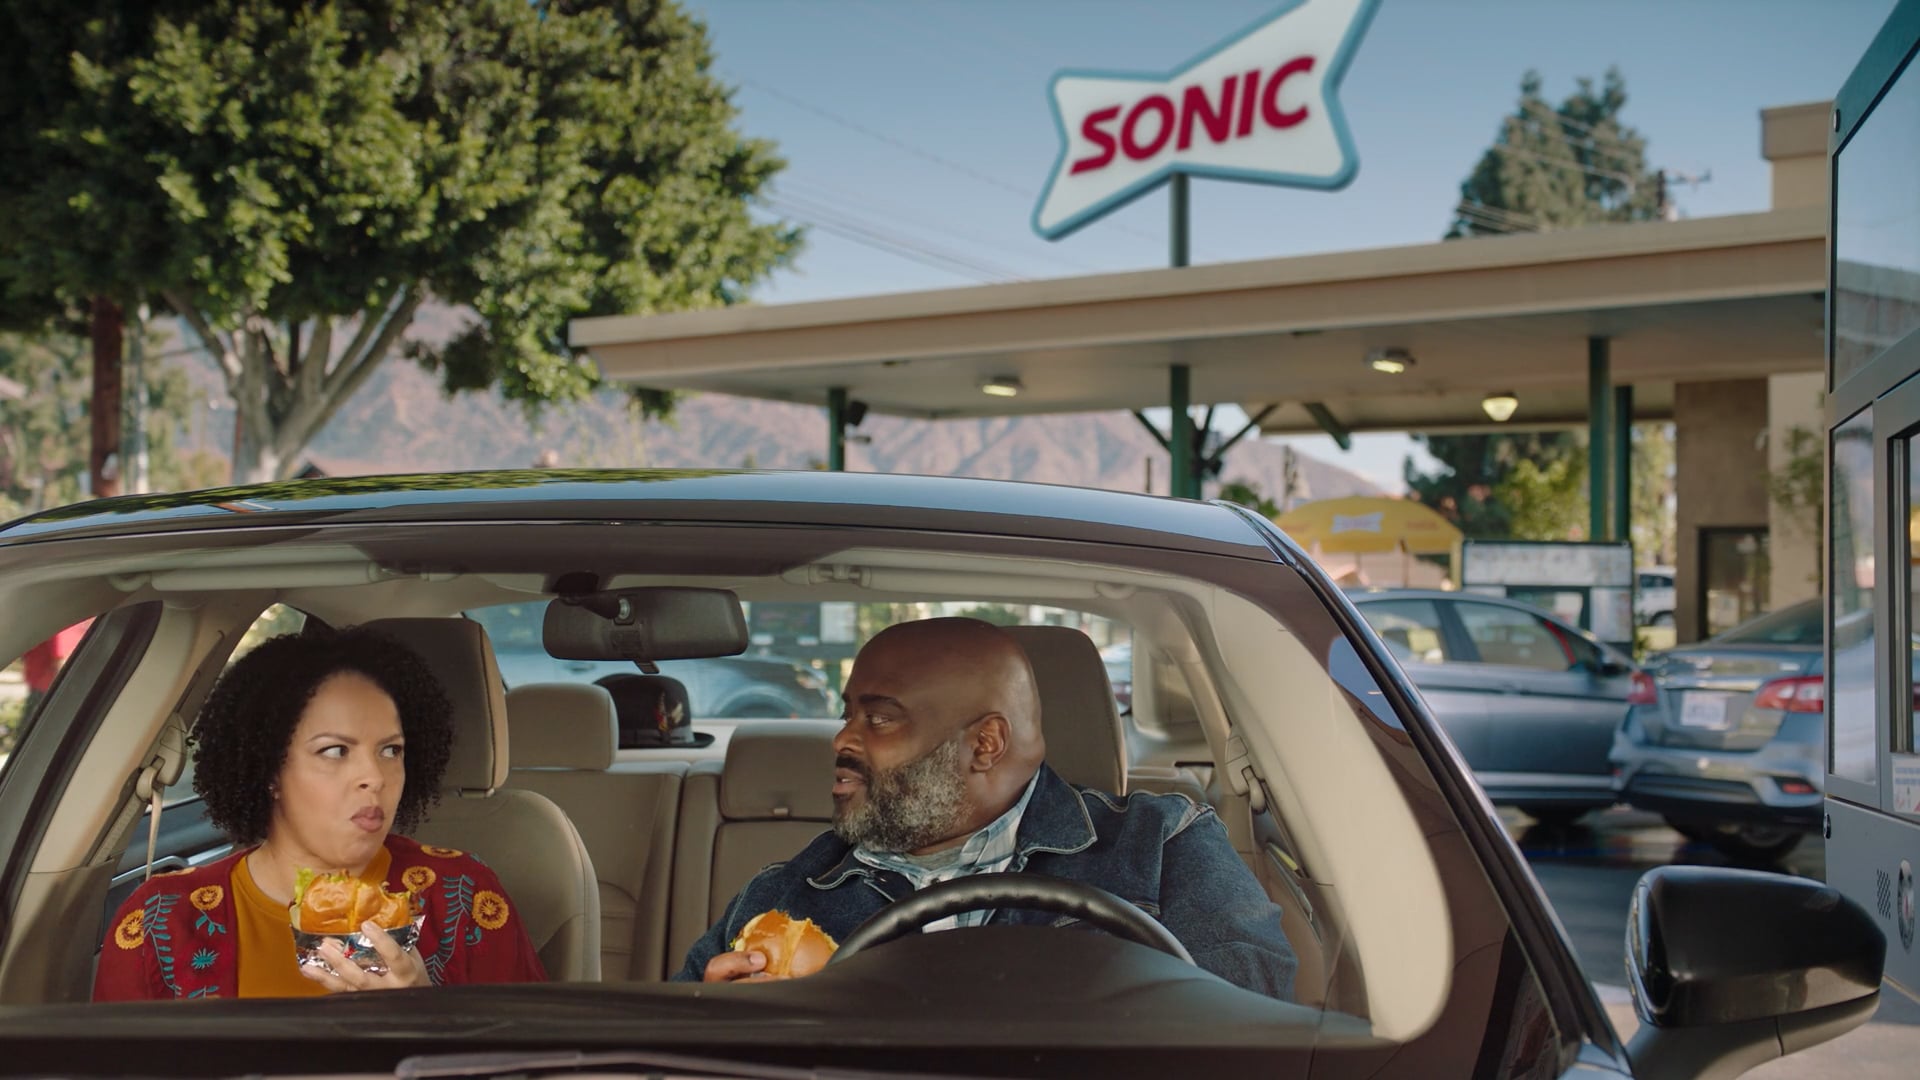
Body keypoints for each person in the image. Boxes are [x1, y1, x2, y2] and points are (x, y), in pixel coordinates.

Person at [674, 617, 1297, 1000]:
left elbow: (1250, 1034)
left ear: (986, 744)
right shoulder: (784, 898)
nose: (843, 740)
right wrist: (716, 1027)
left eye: (880, 718)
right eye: (847, 715)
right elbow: (662, 1056)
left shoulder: (1163, 845)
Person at [95, 626, 546, 1000]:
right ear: (269, 769)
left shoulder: (461, 896)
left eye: (391, 750)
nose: (374, 776)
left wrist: (422, 1010)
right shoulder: (162, 919)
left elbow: (532, 1058)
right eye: (335, 751)